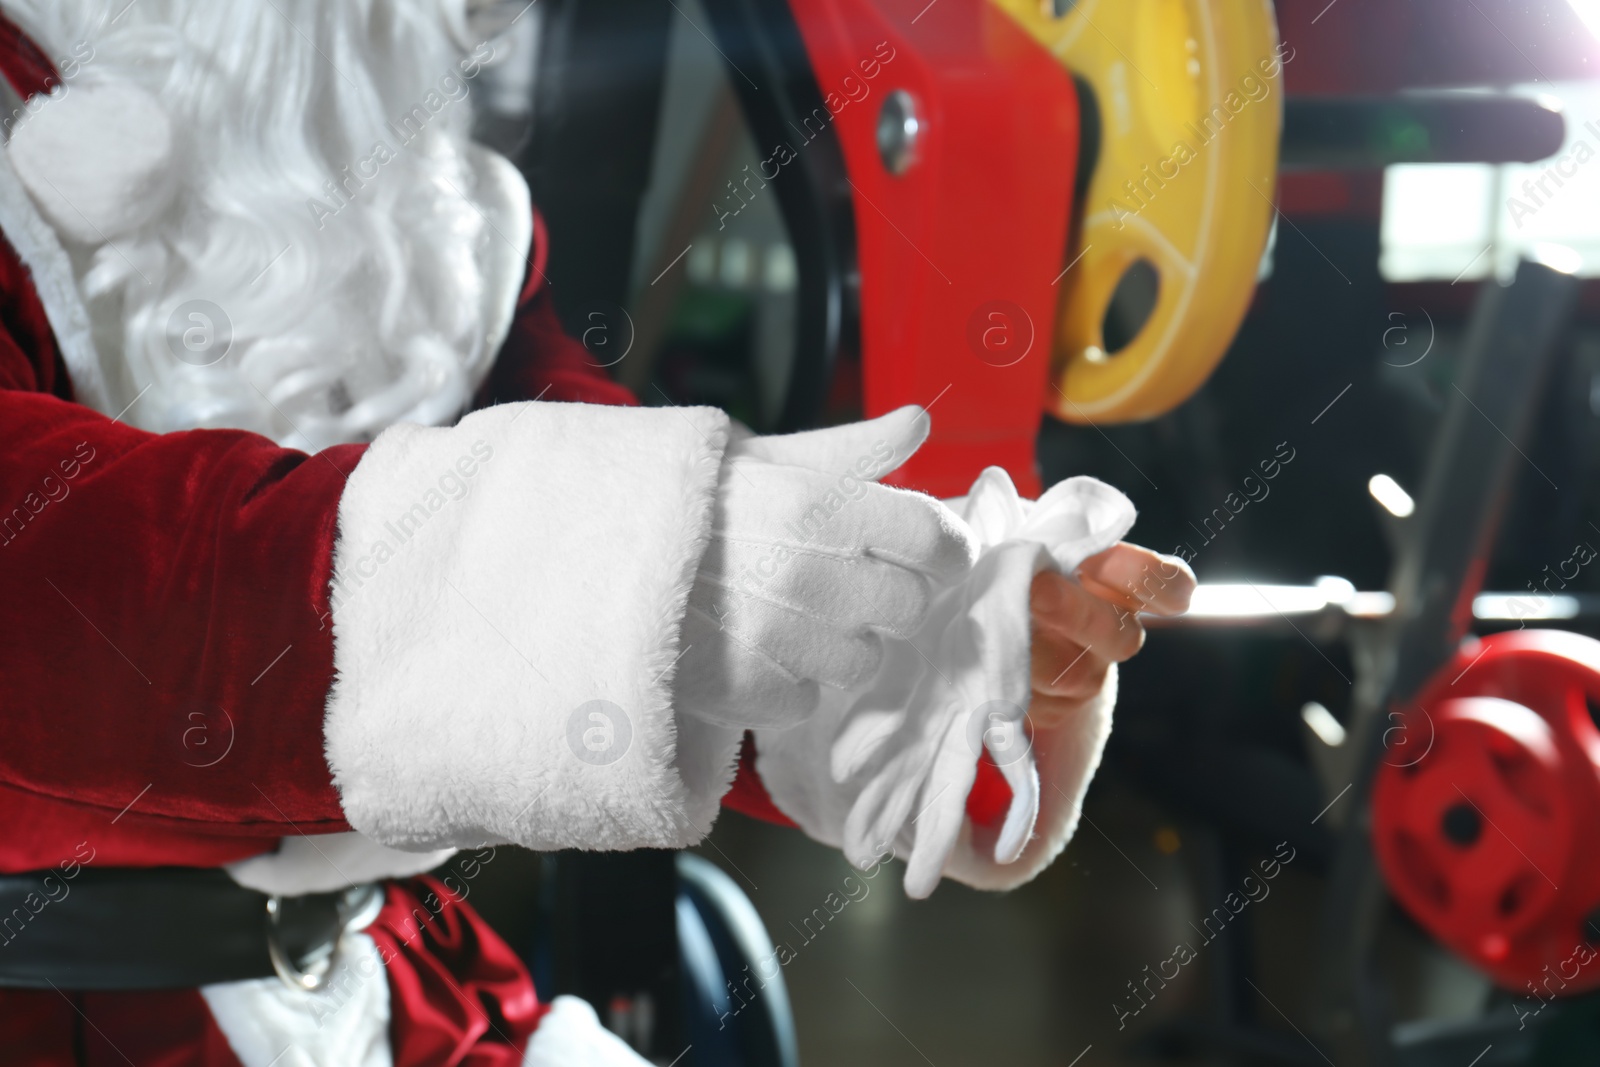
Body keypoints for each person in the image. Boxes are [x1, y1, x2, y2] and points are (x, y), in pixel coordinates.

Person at [0, 0, 1194, 1063]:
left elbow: (617, 495)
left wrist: (931, 637)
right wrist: (601, 566)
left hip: (385, 975)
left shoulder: (423, 197)